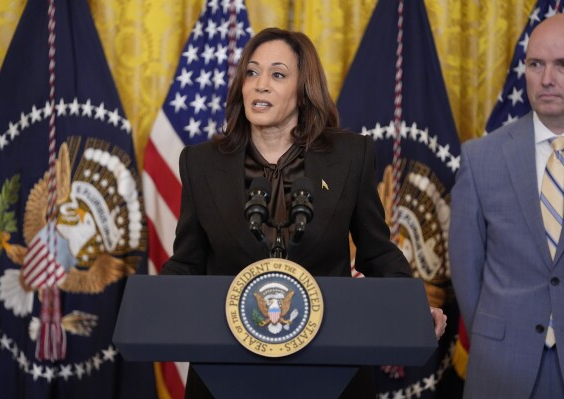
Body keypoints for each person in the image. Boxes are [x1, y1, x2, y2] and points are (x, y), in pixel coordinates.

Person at [161, 27, 447, 398]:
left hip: (328, 367)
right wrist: (151, 301)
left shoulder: (349, 156)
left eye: (277, 74)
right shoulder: (201, 164)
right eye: (251, 72)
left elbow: (377, 253)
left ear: (303, 90)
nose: (260, 85)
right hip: (228, 370)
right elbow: (187, 261)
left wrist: (413, 306)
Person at [449, 14, 564, 399]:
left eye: (562, 65)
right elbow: (466, 270)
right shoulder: (481, 158)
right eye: (536, 64)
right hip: (500, 367)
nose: (547, 79)